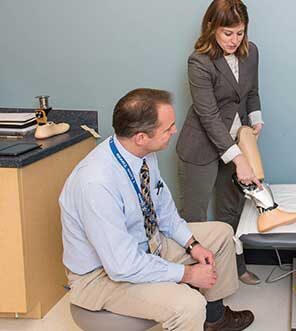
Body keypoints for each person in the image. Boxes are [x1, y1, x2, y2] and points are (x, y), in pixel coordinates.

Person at [59, 88, 254, 331]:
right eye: (168, 127)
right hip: (101, 276)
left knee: (222, 235)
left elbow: (164, 211)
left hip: (148, 245)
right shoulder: (96, 184)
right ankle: (197, 315)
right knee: (190, 304)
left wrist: (193, 244)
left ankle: (214, 321)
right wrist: (187, 274)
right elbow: (122, 266)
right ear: (141, 136)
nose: (174, 130)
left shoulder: (142, 154)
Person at [176, 0, 261, 285]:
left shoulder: (251, 54)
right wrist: (239, 159)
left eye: (240, 33)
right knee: (194, 218)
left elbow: (251, 93)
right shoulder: (198, 62)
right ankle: (195, 284)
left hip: (234, 140)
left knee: (230, 212)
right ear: (212, 28)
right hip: (200, 146)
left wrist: (255, 118)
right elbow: (209, 115)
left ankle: (234, 270)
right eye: (228, 33)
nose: (234, 40)